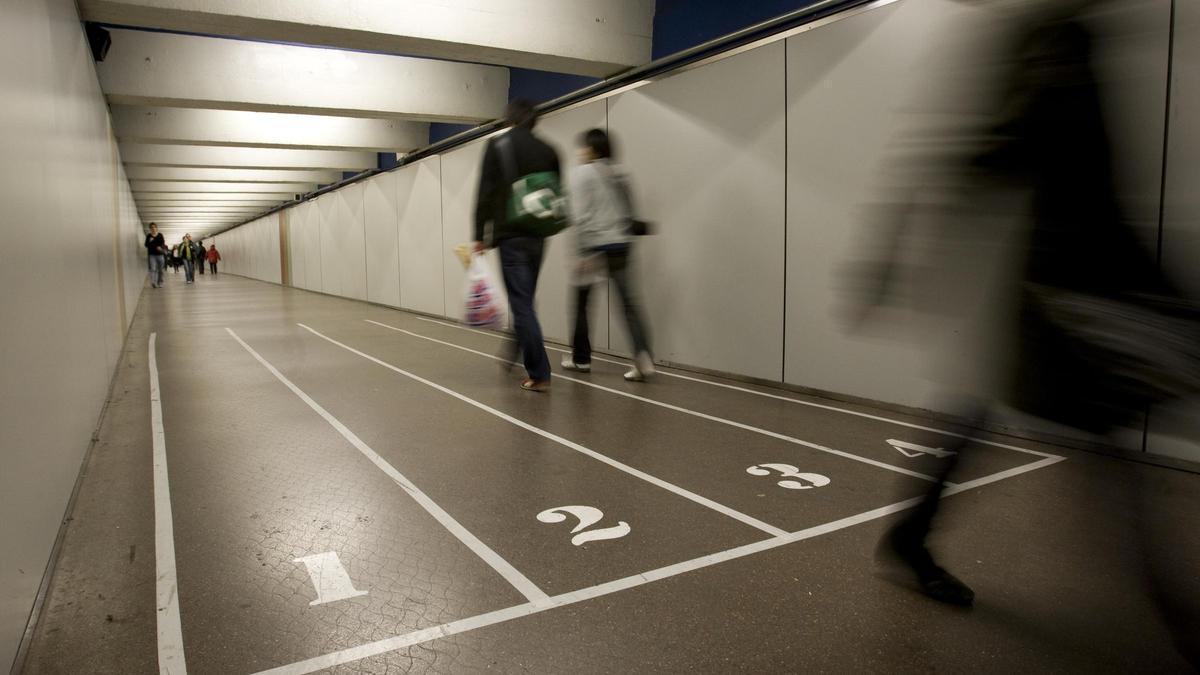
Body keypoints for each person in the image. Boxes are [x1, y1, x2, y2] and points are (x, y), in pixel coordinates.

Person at [847, 2, 1198, 666]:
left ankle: (909, 535)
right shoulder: (1049, 41)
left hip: (1084, 278)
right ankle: (1172, 608)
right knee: (1092, 438)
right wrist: (889, 255)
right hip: (1065, 288)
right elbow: (982, 153)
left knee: (991, 409)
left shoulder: (1071, 34)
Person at [473, 98, 563, 392]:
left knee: (521, 302)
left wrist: (479, 235)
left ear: (509, 117)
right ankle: (512, 353)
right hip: (538, 234)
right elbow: (556, 193)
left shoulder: (498, 146)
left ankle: (539, 372)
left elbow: (485, 192)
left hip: (510, 235)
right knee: (525, 299)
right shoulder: (550, 150)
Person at [560, 128, 655, 381]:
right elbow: (628, 212)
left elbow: (578, 216)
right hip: (621, 245)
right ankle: (643, 356)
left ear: (591, 148)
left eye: (582, 147)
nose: (579, 151)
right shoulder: (619, 173)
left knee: (581, 303)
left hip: (592, 247)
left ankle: (581, 359)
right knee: (629, 304)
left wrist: (578, 253)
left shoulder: (582, 173)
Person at [143, 222, 166, 288]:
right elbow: (146, 245)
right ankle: (153, 282)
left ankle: (160, 282)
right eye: (152, 228)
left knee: (160, 270)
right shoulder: (149, 236)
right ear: (150, 229)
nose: (153, 229)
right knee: (153, 269)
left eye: (154, 227)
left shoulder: (160, 235)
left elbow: (162, 243)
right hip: (152, 255)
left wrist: (158, 246)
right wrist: (150, 241)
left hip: (160, 255)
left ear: (156, 228)